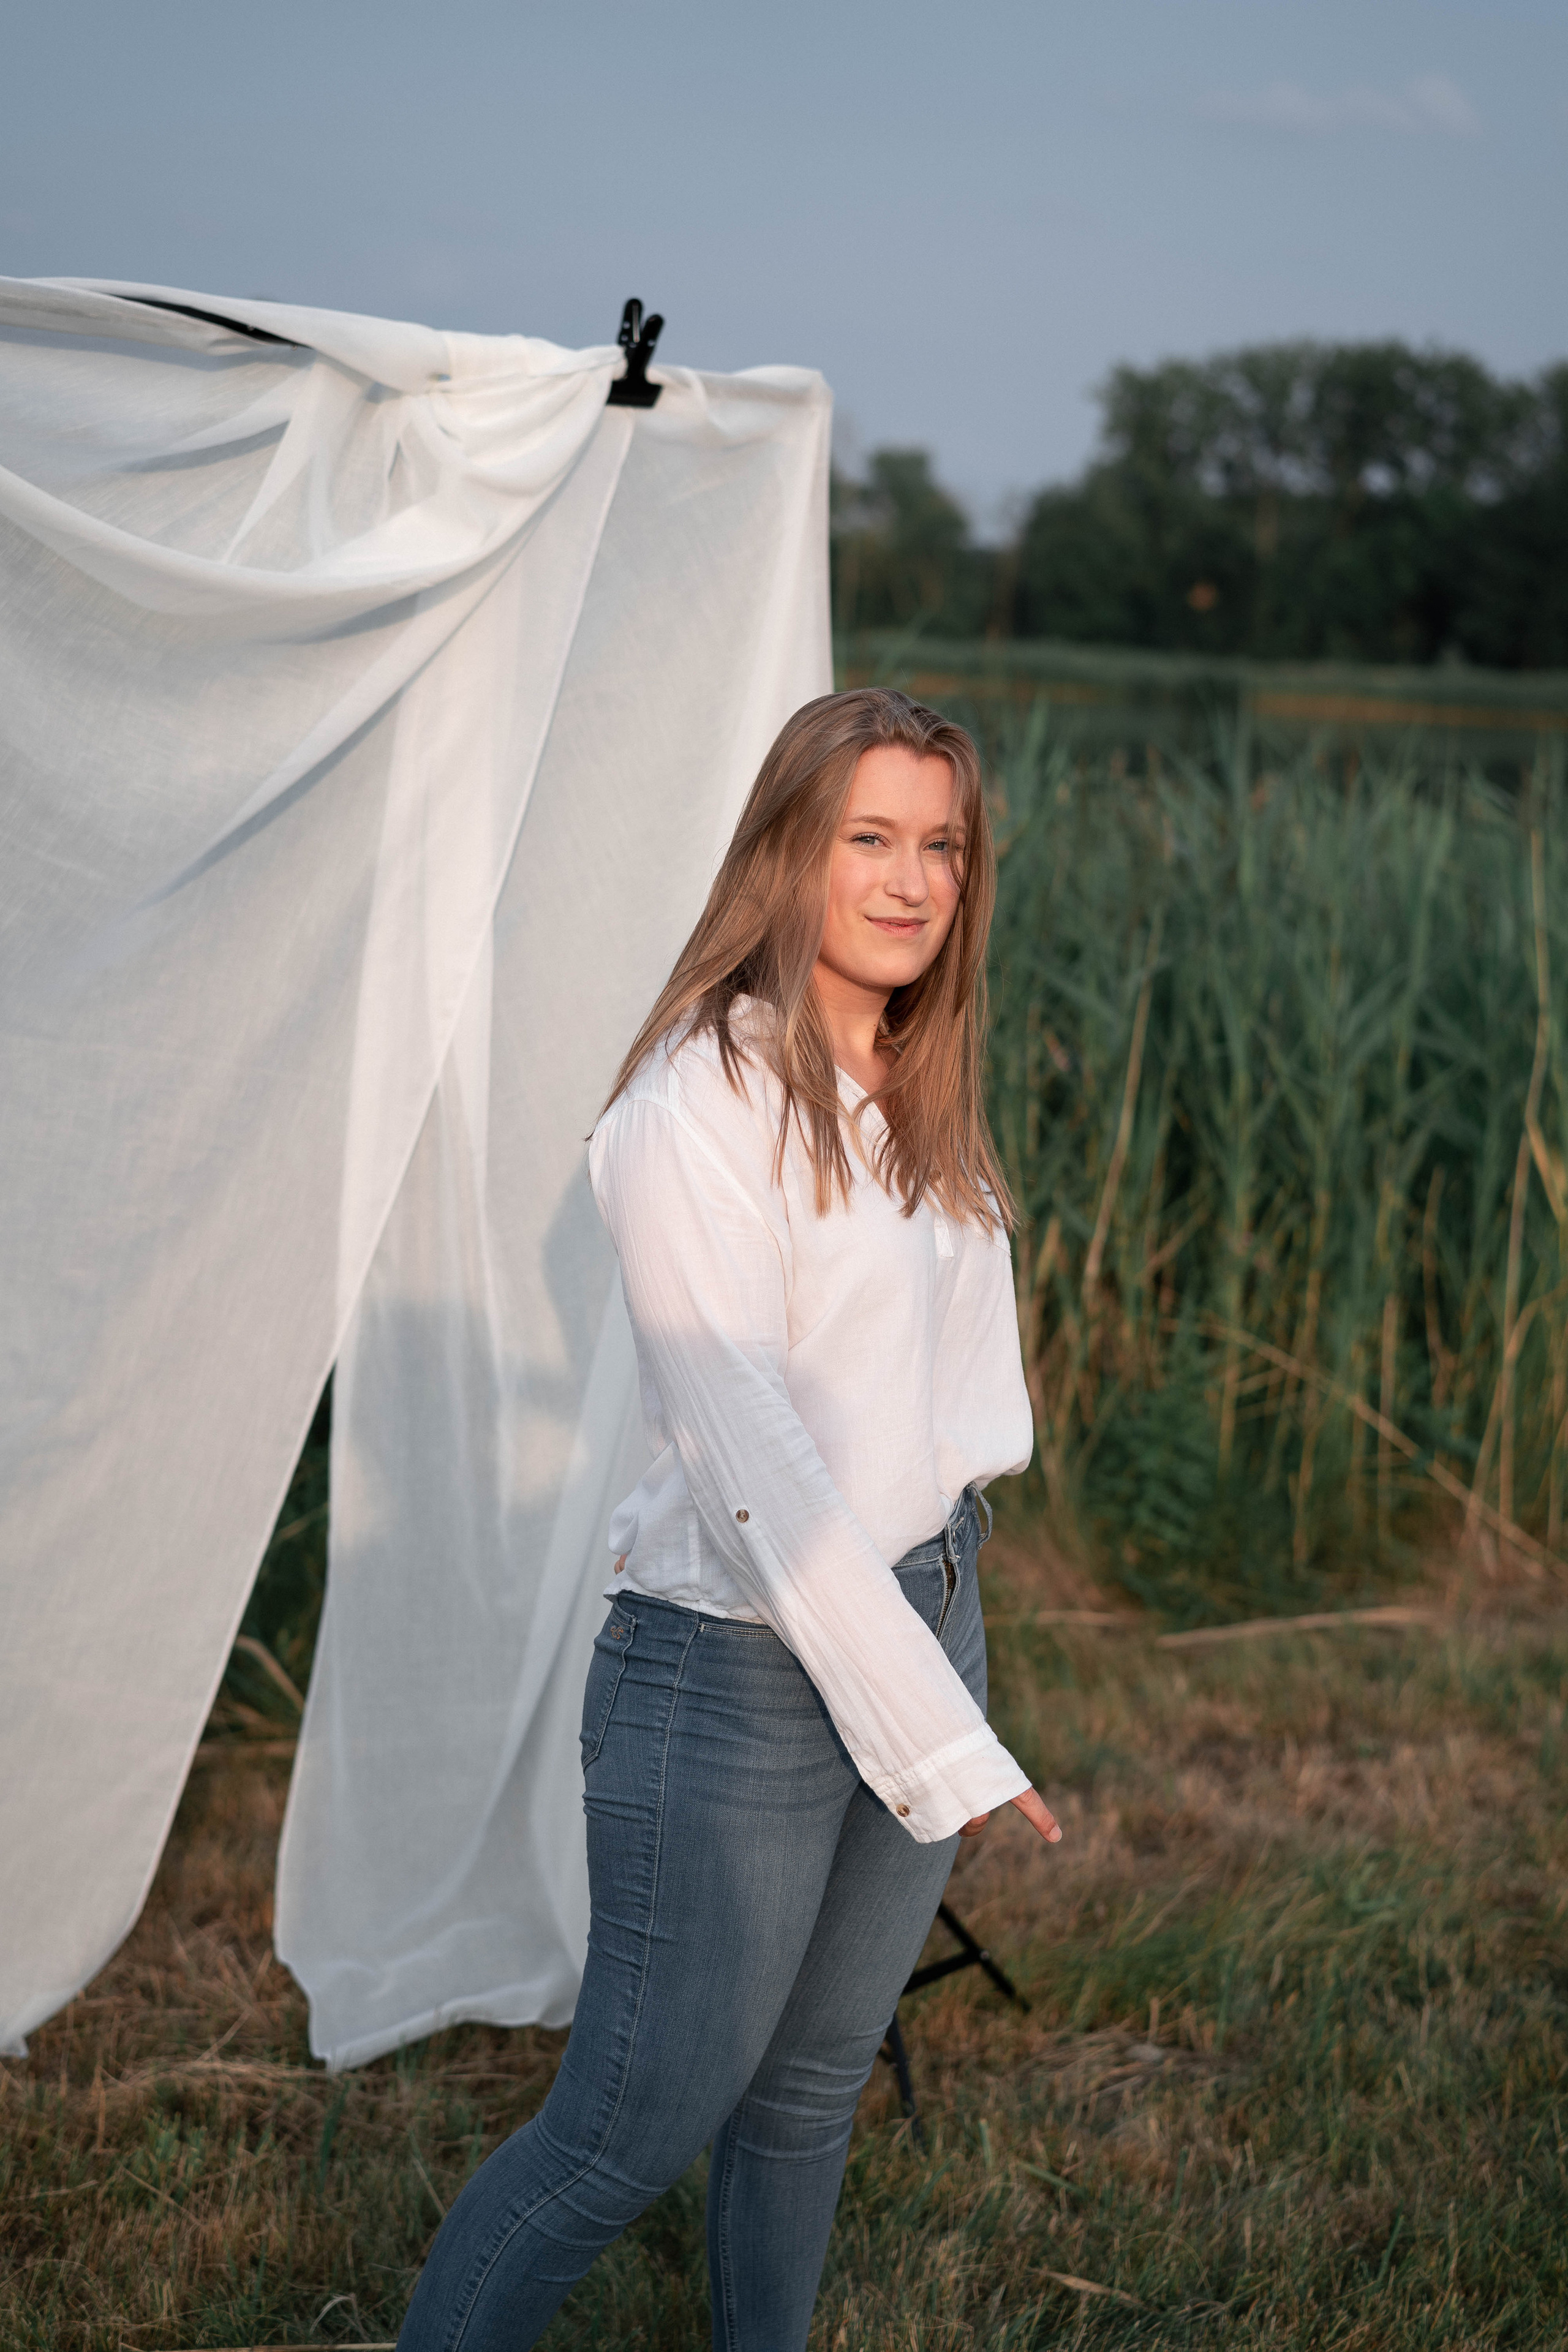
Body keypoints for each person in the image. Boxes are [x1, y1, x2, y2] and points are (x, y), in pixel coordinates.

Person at [397, 688, 1063, 2352]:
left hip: (925, 1597)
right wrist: (943, 1737)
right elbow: (754, 1466)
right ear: (787, 853)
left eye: (942, 846)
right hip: (738, 1663)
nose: (913, 881)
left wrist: (941, 1654)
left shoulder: (914, 1075)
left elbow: (931, 1402)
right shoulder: (695, 1104)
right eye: (870, 839)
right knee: (620, 2138)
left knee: (812, 2091)